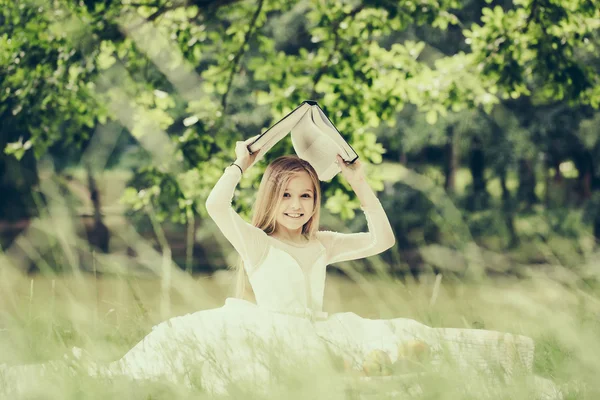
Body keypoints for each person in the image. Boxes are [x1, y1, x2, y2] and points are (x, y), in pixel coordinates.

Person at [1, 135, 560, 399]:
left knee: (410, 339)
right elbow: (215, 206)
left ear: (317, 201)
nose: (298, 205)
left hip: (317, 331)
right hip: (264, 328)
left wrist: (361, 183)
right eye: (289, 196)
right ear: (274, 198)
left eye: (308, 196)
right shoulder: (258, 242)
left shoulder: (323, 244)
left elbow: (384, 238)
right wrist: (239, 163)